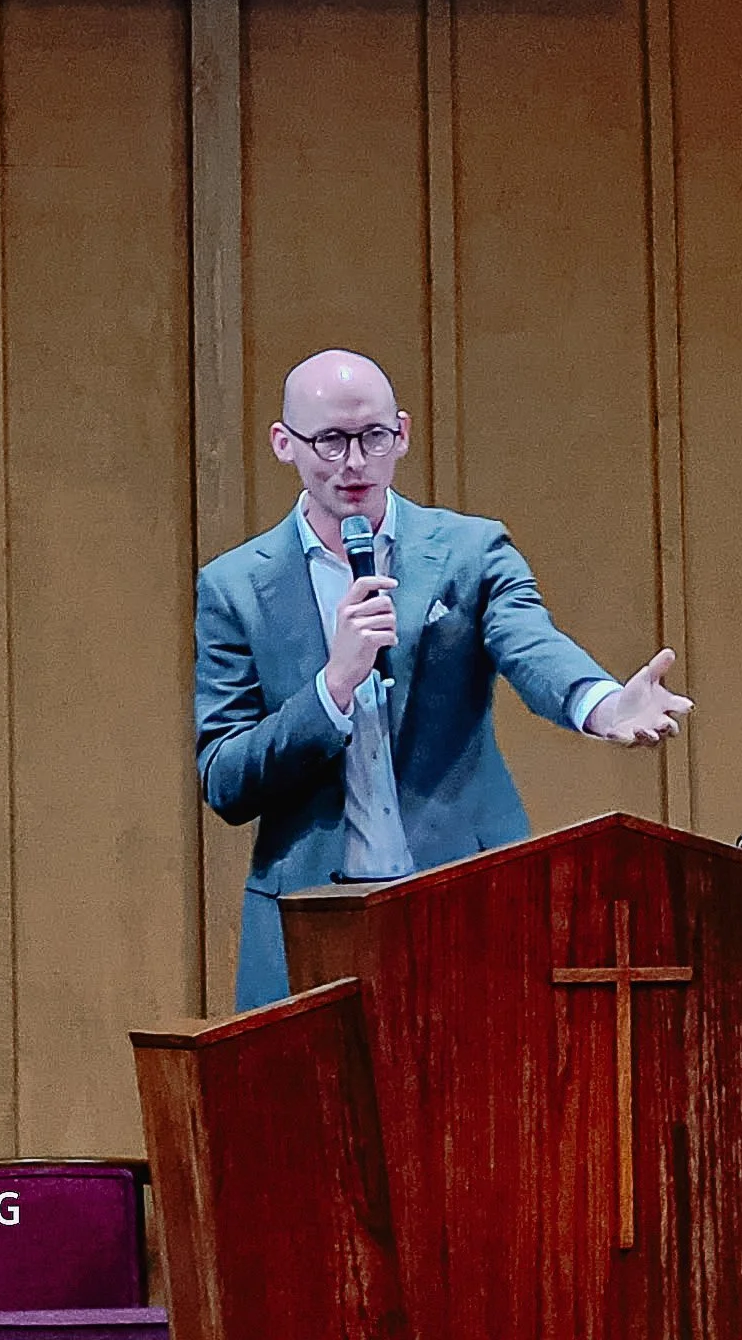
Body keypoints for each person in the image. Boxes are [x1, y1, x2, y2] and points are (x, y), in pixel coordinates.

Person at [195, 348, 693, 1009]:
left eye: (372, 437)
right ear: (284, 444)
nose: (354, 463)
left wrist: (601, 703)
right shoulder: (236, 587)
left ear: (401, 433)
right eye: (330, 441)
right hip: (310, 919)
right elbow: (225, 777)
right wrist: (332, 688)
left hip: (465, 898)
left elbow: (531, 644)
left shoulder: (470, 551)